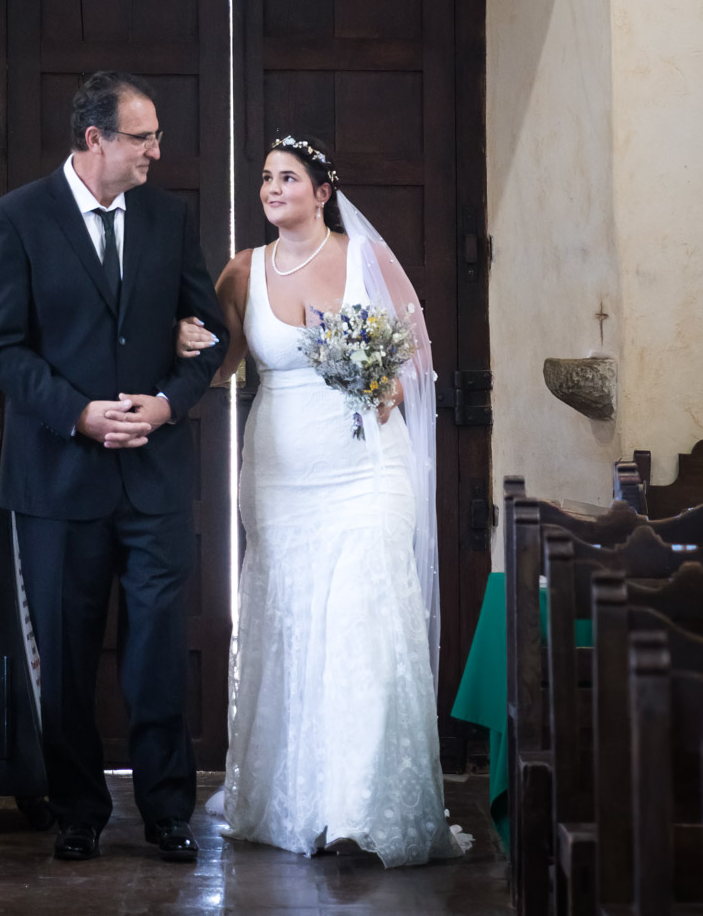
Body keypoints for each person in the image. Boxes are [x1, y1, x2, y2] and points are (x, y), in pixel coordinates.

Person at [175, 135, 468, 869]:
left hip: (367, 467)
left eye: (287, 178)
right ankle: (297, 798)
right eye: (267, 178)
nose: (273, 188)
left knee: (363, 612)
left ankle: (361, 804)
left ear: (322, 190)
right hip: (280, 472)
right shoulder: (243, 272)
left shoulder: (368, 259)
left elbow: (416, 368)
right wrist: (187, 345)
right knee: (293, 619)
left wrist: (382, 383)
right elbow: (224, 366)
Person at [0, 69, 227, 864]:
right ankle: (77, 808)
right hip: (56, 477)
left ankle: (165, 811)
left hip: (154, 478)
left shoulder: (169, 218)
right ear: (95, 140)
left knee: (156, 648)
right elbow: (1, 351)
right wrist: (80, 414)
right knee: (69, 651)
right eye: (143, 137)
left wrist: (168, 403)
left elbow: (208, 334)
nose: (158, 150)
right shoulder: (16, 220)